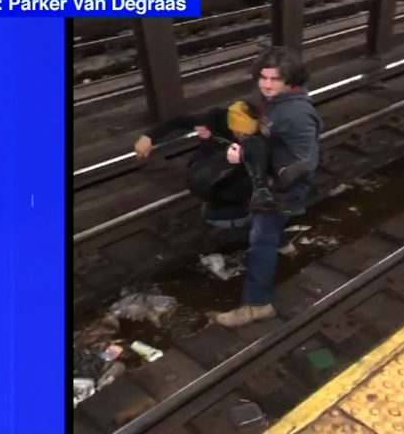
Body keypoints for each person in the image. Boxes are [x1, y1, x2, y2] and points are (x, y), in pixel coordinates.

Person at [213, 46, 323, 328]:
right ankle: (283, 241)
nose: (267, 84)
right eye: (263, 77)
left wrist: (272, 187)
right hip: (272, 176)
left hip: (283, 186)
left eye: (275, 79)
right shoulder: (272, 100)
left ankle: (257, 304)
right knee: (271, 229)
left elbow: (305, 163)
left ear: (290, 80)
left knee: (261, 241)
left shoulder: (296, 115)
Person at [132, 100, 301, 252]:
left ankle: (263, 228)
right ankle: (274, 237)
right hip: (209, 169)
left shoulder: (261, 134)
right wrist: (149, 137)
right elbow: (179, 121)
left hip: (235, 176)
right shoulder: (215, 120)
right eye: (240, 133)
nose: (243, 137)